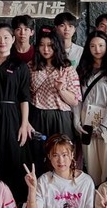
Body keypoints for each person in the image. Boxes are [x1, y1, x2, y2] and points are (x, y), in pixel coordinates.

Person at [20, 134, 100, 208]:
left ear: (72, 155)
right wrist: (32, 189)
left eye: (64, 155)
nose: (60, 160)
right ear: (49, 157)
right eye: (55, 155)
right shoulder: (44, 180)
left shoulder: (86, 181)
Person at [0, 23, 33, 202]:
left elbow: (24, 97)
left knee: (14, 156)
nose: (2, 41)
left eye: (6, 38)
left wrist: (24, 124)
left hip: (12, 116)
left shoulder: (20, 65)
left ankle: (14, 203)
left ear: (13, 39)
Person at [28, 26, 81, 166]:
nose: (46, 49)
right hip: (37, 116)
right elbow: (25, 95)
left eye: (50, 45)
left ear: (57, 46)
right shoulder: (31, 67)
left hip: (61, 117)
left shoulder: (67, 68)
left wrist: (61, 89)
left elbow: (74, 101)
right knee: (38, 155)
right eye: (42, 45)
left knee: (63, 156)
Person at [75, 30, 107, 184]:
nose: (97, 49)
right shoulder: (82, 70)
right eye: (93, 46)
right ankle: (95, 195)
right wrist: (77, 121)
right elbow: (77, 98)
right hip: (86, 120)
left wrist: (103, 126)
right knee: (92, 164)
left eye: (101, 45)